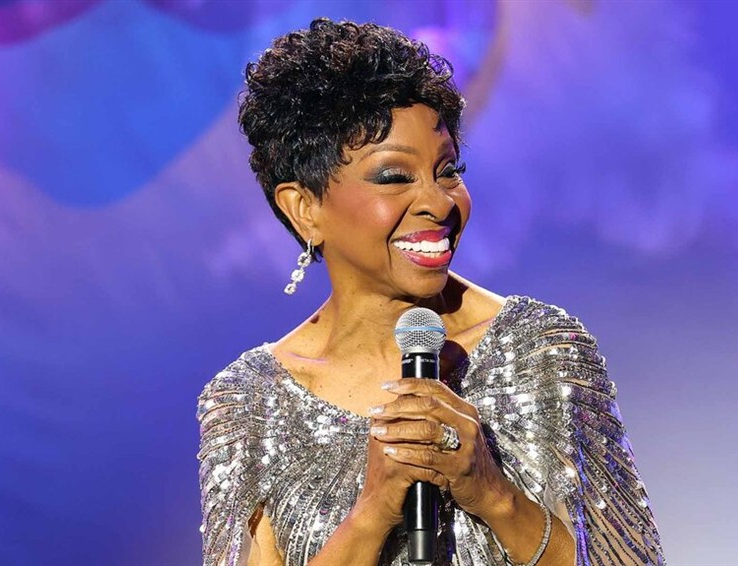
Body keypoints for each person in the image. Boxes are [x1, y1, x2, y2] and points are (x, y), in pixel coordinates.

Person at [197, 18, 664, 566]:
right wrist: (372, 512)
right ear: (305, 209)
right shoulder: (252, 403)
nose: (439, 203)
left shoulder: (540, 350)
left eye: (448, 171)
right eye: (394, 177)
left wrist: (492, 493)